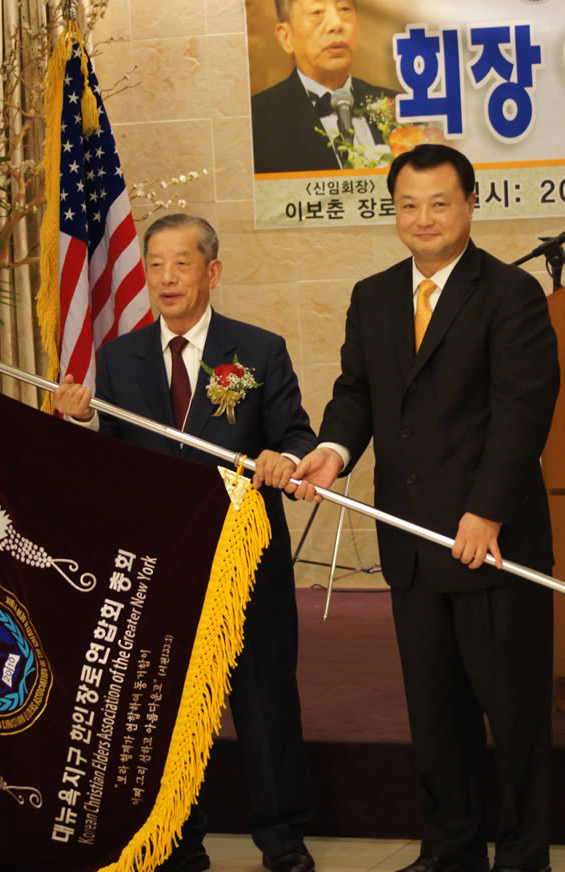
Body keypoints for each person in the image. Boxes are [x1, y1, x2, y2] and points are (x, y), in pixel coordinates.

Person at [279, 145, 559, 872]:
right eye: (408, 204)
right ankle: (451, 851)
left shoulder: (511, 294)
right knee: (437, 716)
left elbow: (523, 411)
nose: (423, 218)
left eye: (439, 203)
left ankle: (524, 857)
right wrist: (332, 451)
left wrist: (487, 511)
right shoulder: (372, 296)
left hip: (491, 544)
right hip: (409, 544)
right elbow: (357, 393)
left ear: (471, 204)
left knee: (515, 717)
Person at [54, 213, 317, 872]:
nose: (167, 278)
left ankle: (282, 842)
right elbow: (111, 464)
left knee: (264, 703)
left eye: (182, 263)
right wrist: (78, 424)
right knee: (165, 708)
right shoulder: (118, 358)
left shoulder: (257, 350)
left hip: (244, 561)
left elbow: (296, 434)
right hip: (163, 566)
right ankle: (176, 840)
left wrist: (288, 458)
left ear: (212, 271)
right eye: (156, 265)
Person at [251, 0, 396, 173]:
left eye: (344, 9)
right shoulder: (256, 122)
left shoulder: (399, 107)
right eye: (317, 12)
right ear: (286, 37)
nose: (336, 24)